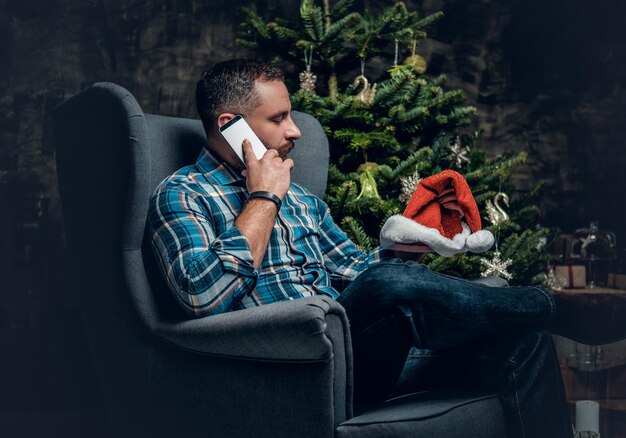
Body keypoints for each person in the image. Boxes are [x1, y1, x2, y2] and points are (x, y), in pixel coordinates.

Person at [147, 59, 626, 438]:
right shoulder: (182, 194)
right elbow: (200, 297)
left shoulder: (302, 200)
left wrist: (408, 248)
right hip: (289, 366)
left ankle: (543, 317)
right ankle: (555, 307)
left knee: (524, 343)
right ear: (231, 125)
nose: (295, 131)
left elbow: (359, 272)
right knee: (388, 284)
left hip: (357, 355)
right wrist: (263, 196)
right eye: (278, 118)